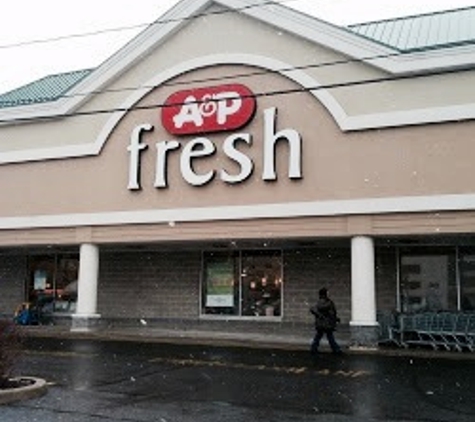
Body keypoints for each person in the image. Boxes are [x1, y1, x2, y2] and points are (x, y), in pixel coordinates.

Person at [310, 288, 342, 355]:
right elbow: (331, 313)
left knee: (319, 336)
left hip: (321, 323)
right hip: (327, 323)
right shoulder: (328, 303)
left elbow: (316, 310)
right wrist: (335, 318)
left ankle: (313, 348)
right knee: (329, 336)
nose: (328, 293)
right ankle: (336, 349)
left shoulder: (320, 302)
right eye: (327, 292)